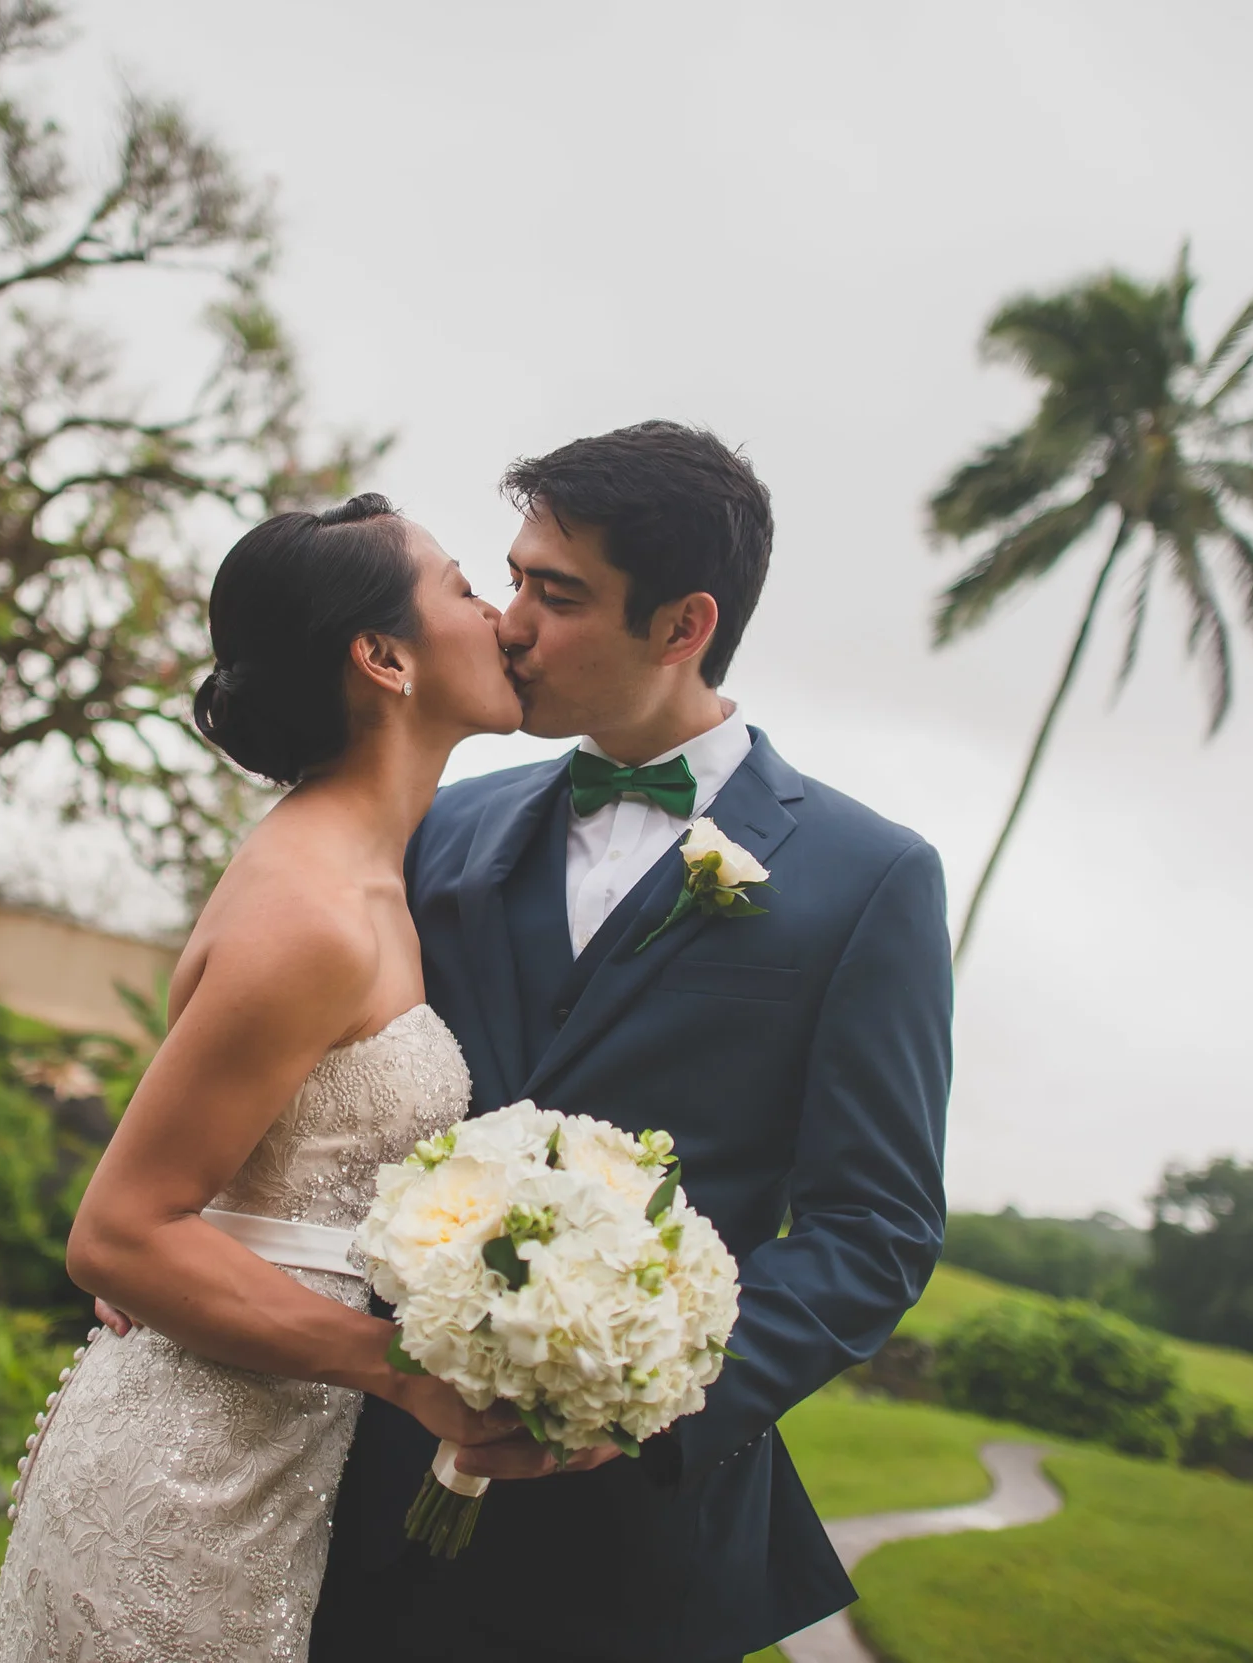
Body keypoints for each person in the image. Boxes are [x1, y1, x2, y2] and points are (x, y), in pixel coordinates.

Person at [307, 422, 955, 1663]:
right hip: (360, 1481)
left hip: (633, 1559)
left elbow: (871, 1228)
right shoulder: (444, 824)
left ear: (683, 625)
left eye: (557, 596)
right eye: (510, 580)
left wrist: (641, 1405)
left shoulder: (868, 882)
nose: (508, 625)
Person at [0, 494, 526, 1663]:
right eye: (463, 588)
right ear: (383, 657)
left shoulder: (374, 871)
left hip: (265, 1449)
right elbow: (117, 1237)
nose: (498, 614)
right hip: (188, 1476)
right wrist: (406, 1372)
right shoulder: (315, 911)